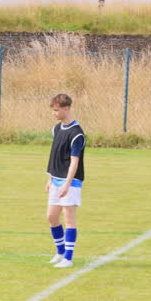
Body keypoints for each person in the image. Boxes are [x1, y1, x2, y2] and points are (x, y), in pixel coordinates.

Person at [45, 93, 86, 269]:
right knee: (52, 217)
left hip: (70, 182)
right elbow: (55, 156)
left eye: (57, 110)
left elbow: (74, 161)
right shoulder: (56, 129)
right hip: (56, 180)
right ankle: (60, 252)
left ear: (66, 109)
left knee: (69, 219)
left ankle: (68, 258)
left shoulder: (77, 134)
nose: (54, 113)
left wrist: (67, 184)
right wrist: (50, 178)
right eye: (53, 110)